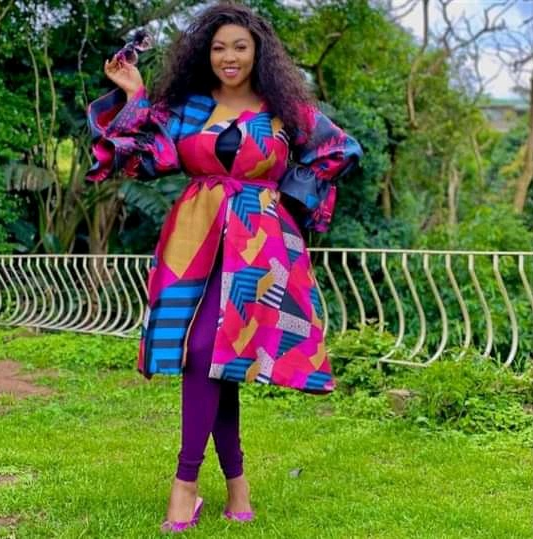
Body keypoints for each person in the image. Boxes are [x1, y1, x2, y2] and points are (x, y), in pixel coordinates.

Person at [86, 2, 363, 533]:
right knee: (213, 358)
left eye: (239, 46)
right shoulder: (188, 108)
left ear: (258, 51)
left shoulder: (286, 109)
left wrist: (289, 198)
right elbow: (141, 155)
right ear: (205, 54)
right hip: (193, 240)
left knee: (208, 353)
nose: (228, 57)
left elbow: (339, 150)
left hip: (259, 246)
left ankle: (185, 485)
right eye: (218, 48)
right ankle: (237, 486)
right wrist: (134, 92)